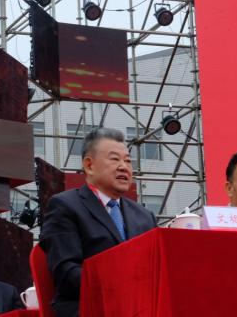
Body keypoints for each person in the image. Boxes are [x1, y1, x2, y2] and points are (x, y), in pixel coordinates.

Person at [39, 128, 157, 317]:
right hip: (88, 308)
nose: (124, 167)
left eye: (128, 161)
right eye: (114, 159)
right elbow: (66, 273)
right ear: (89, 165)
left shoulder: (145, 216)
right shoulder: (65, 206)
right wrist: (121, 287)